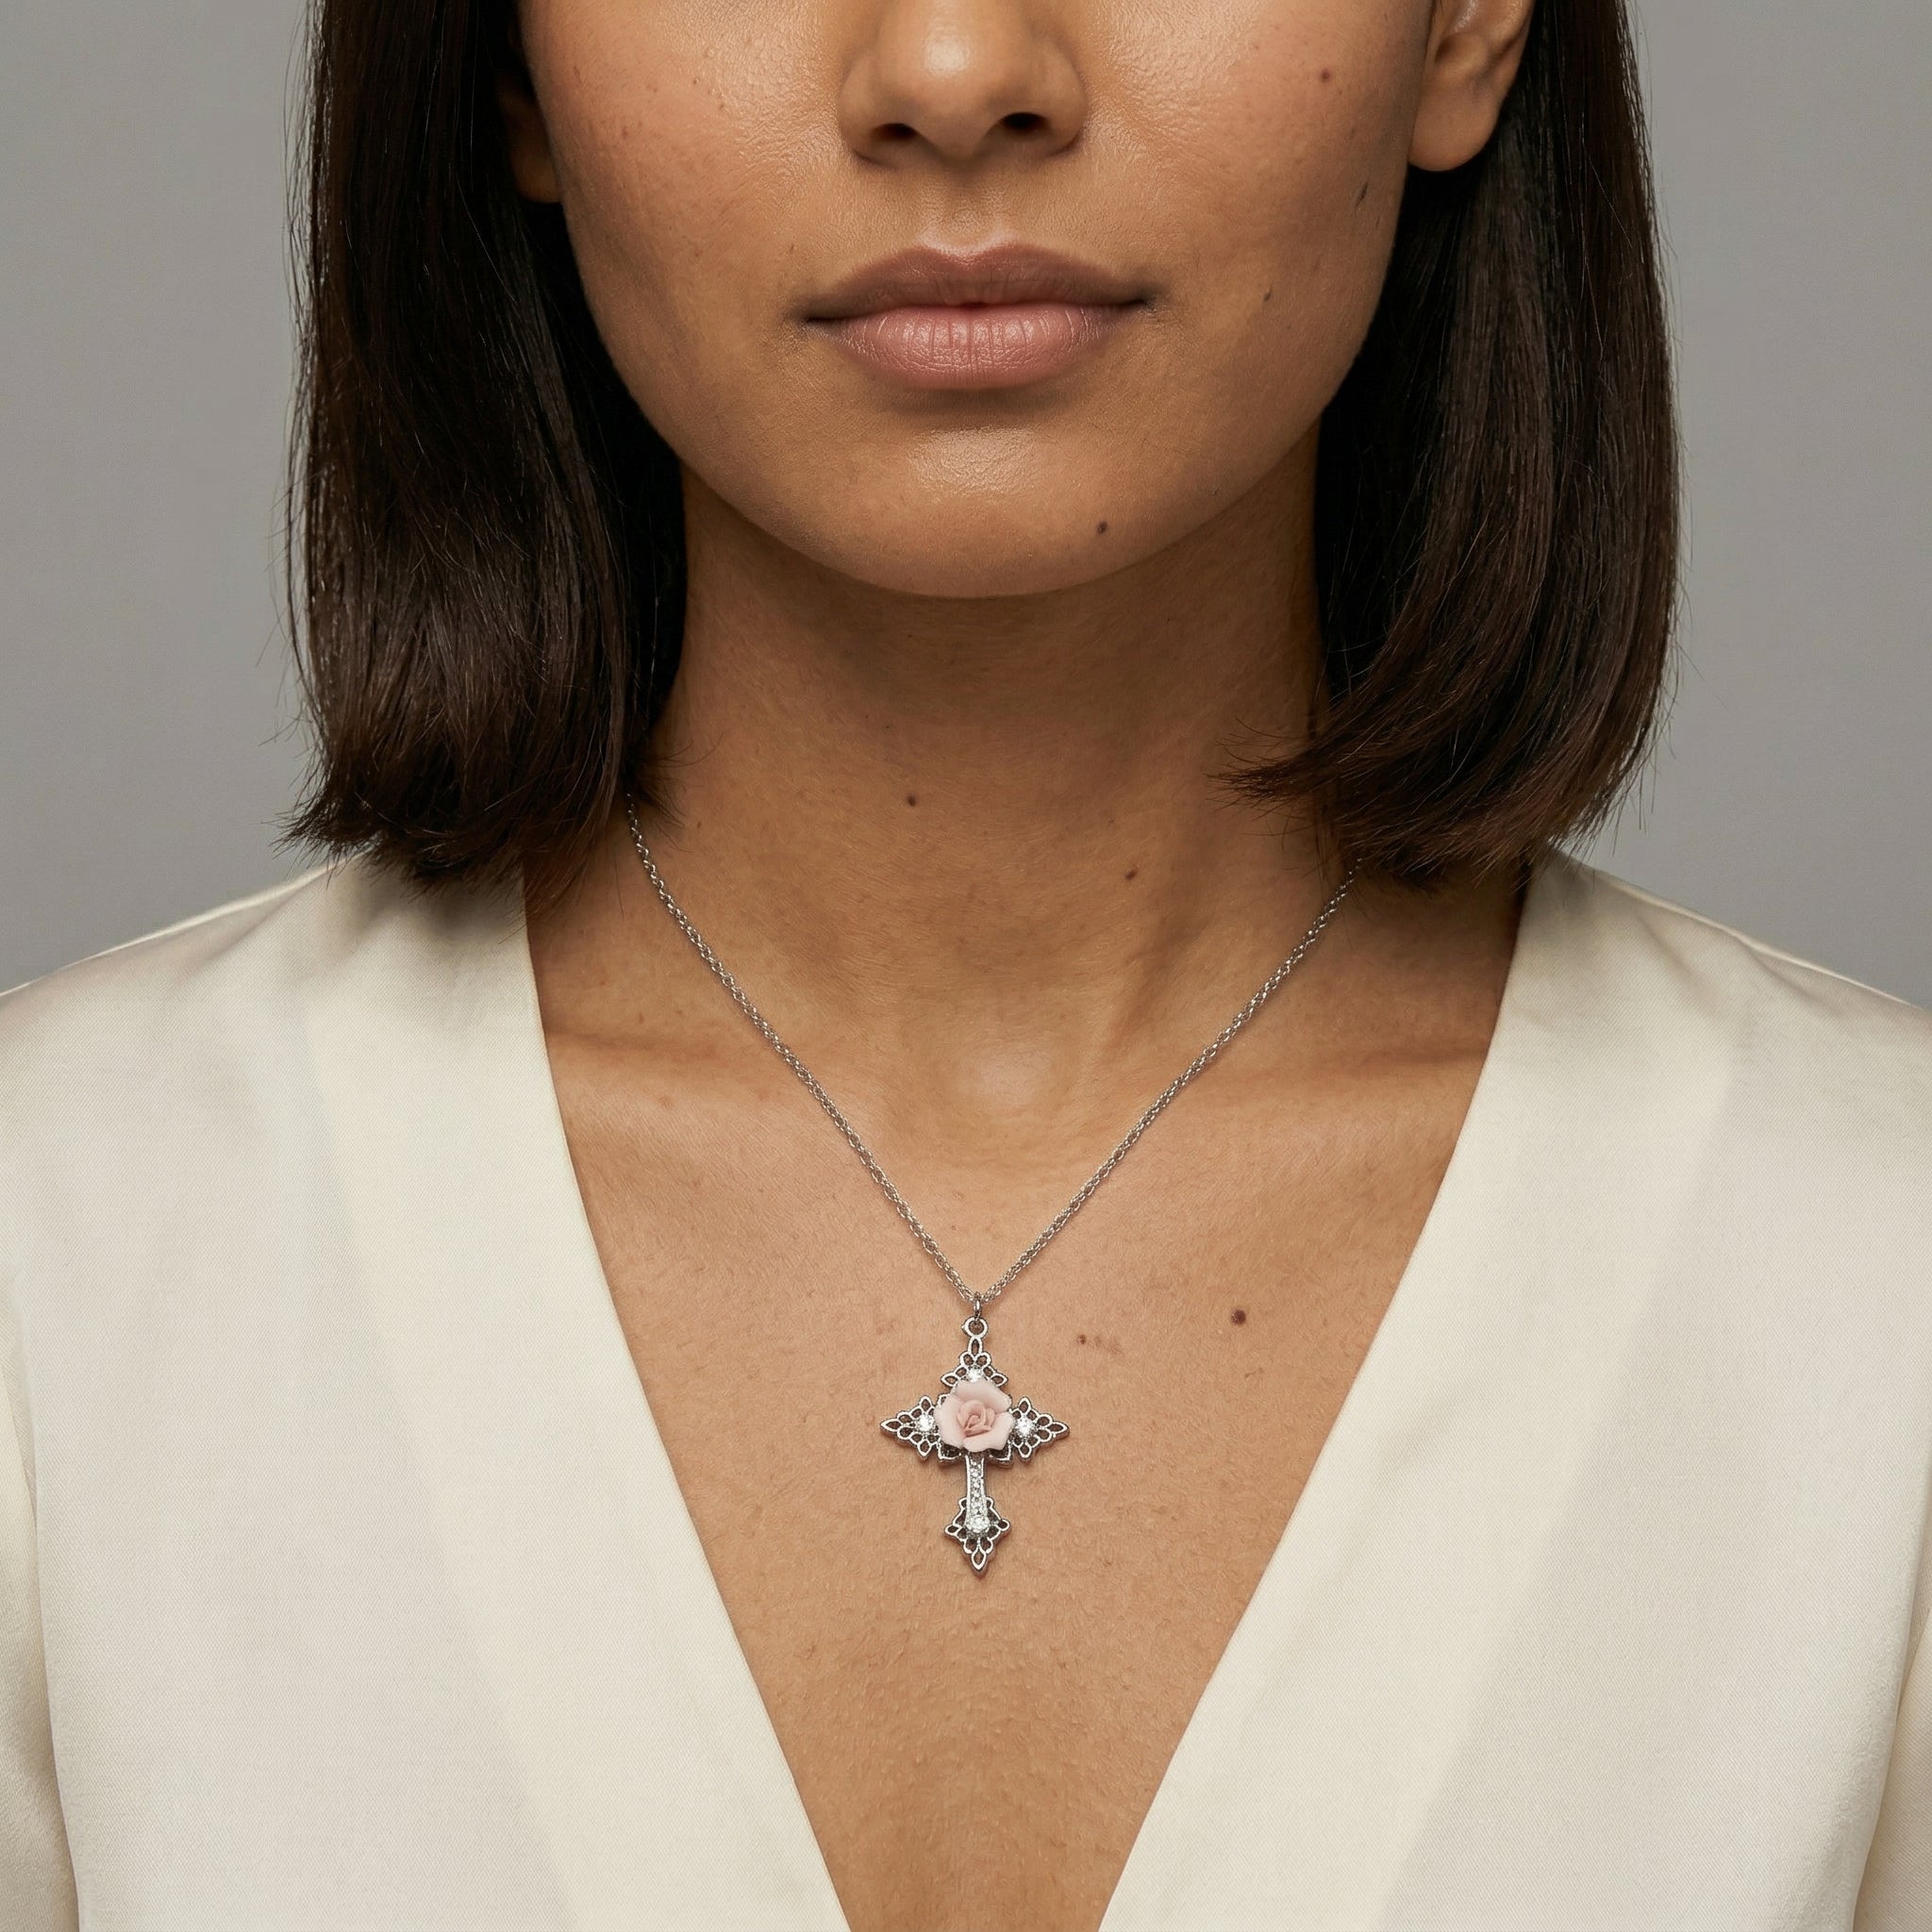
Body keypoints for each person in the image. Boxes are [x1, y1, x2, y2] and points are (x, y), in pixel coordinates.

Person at [3, 0, 1927, 1925]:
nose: (949, 70)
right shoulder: (56, 1259)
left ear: (1469, 27)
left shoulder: (1874, 1283)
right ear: (509, 66)